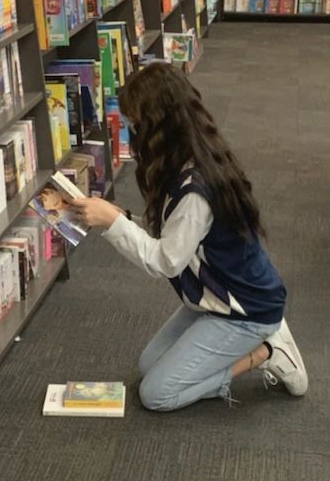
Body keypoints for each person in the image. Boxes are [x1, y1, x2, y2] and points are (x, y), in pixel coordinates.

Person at [70, 62, 307, 412]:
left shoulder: (196, 188)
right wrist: (122, 217)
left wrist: (111, 224)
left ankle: (269, 352)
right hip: (212, 298)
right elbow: (178, 234)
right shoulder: (187, 158)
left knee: (157, 394)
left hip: (245, 310)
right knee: (149, 366)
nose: (131, 134)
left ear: (158, 125)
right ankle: (249, 343)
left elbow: (165, 261)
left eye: (136, 124)